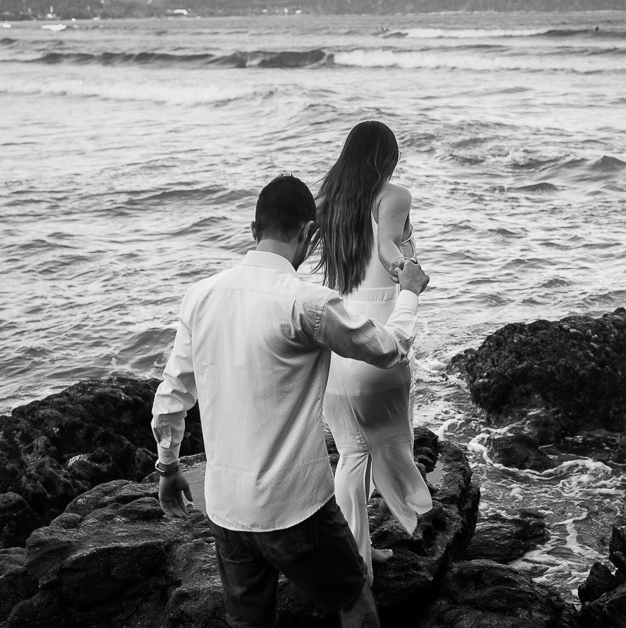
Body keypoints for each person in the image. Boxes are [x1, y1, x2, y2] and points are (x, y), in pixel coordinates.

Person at [151, 173, 430, 628]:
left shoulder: (198, 297)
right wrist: (410, 295)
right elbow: (389, 348)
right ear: (307, 232)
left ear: (253, 230)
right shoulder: (308, 303)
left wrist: (167, 467)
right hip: (294, 507)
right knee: (356, 604)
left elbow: (172, 395)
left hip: (227, 508)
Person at [313, 121, 434, 582]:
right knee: (372, 451)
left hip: (334, 338)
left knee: (352, 452)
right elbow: (386, 245)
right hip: (378, 336)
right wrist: (407, 272)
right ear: (386, 157)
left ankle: (358, 553)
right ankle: (356, 561)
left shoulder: (330, 201)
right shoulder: (393, 195)